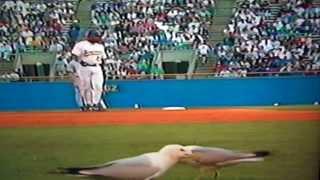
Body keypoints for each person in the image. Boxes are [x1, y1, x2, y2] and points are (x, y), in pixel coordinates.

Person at [71, 29, 107, 111]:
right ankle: (88, 104)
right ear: (89, 36)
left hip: (97, 66)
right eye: (95, 36)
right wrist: (79, 62)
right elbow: (74, 55)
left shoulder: (100, 46)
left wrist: (104, 67)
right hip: (84, 67)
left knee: (98, 86)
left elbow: (104, 58)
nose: (96, 38)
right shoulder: (81, 45)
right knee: (86, 86)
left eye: (97, 36)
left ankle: (95, 103)